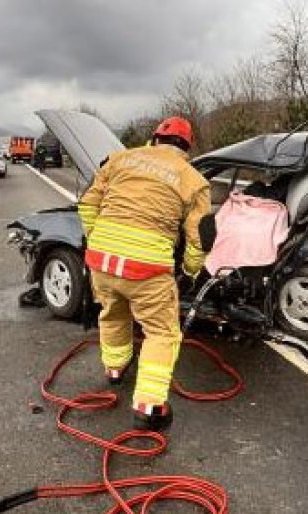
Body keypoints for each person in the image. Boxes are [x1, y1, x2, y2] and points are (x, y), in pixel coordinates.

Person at [77, 116, 210, 430]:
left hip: (102, 261)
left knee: (112, 314)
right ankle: (150, 407)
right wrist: (190, 269)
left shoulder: (119, 160)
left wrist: (97, 239)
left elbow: (86, 204)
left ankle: (115, 369)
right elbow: (199, 237)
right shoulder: (193, 180)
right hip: (147, 270)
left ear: (154, 139)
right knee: (161, 333)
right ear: (186, 147)